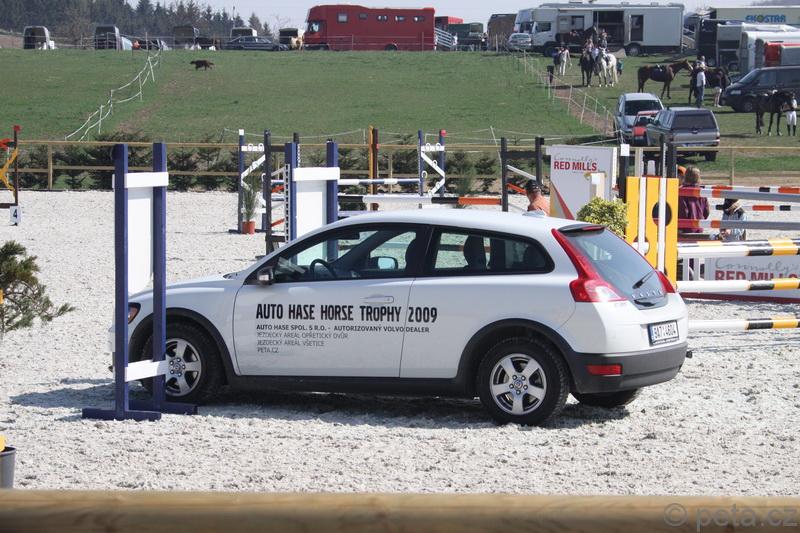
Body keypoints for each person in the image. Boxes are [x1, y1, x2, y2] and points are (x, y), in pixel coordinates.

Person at [678, 166, 709, 234]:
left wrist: (680, 227)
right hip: (699, 227)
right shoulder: (702, 192)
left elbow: (683, 211)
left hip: (686, 228)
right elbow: (706, 212)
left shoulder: (682, 191)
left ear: (685, 176)